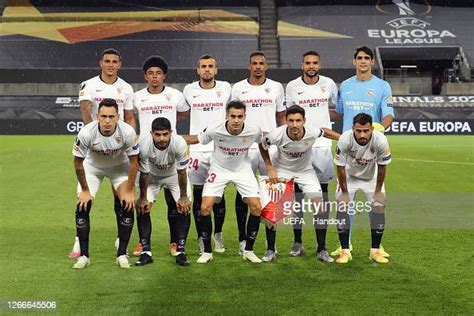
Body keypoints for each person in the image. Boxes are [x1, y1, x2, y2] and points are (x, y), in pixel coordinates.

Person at [69, 48, 136, 258]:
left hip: (119, 152)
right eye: (107, 61)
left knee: (123, 197)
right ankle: (78, 242)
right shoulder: (89, 85)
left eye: (114, 61)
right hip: (95, 152)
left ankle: (120, 239)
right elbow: (85, 109)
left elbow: (129, 116)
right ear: (101, 63)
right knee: (83, 201)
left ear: (119, 64)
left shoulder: (126, 88)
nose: (110, 64)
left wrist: (133, 136)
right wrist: (96, 135)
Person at [183, 101, 265, 264]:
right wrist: (175, 138)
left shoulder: (254, 130)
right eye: (233, 116)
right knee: (205, 207)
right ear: (227, 115)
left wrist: (269, 166)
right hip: (219, 169)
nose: (236, 120)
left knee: (256, 207)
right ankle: (207, 251)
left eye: (240, 116)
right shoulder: (215, 129)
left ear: (245, 117)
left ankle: (248, 250)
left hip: (242, 169)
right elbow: (196, 139)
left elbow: (263, 143)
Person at [332, 46, 394, 257]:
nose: (363, 61)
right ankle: (344, 245)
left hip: (371, 148)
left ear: (372, 62)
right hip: (349, 147)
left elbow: (388, 115)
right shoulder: (346, 85)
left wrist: (381, 128)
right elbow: (340, 113)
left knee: (375, 201)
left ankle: (377, 246)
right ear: (354, 61)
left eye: (367, 58)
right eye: (359, 58)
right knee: (344, 202)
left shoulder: (383, 86)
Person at [259, 105, 340, 263]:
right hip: (282, 171)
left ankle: (321, 249)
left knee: (320, 206)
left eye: (298, 120)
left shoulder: (312, 131)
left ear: (304, 121)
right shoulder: (276, 134)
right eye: (291, 121)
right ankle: (270, 250)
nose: (295, 124)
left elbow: (324, 130)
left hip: (305, 171)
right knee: (272, 210)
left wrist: (343, 137)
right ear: (286, 121)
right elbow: (262, 145)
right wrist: (270, 167)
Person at [72, 98, 139, 269]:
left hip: (119, 167)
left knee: (127, 203)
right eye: (103, 116)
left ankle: (122, 254)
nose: (107, 121)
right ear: (97, 116)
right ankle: (84, 256)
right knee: (83, 204)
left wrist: (129, 190)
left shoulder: (127, 132)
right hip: (93, 168)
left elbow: (134, 163)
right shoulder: (87, 133)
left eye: (111, 116)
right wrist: (86, 190)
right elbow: (78, 164)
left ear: (118, 117)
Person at [133, 56, 189, 257]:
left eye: (158, 73)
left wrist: (168, 129)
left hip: (169, 151)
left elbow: (184, 113)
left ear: (164, 75)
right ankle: (143, 243)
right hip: (149, 150)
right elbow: (130, 117)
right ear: (145, 76)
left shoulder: (175, 95)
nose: (154, 77)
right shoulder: (137, 96)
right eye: (150, 73)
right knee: (143, 203)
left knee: (175, 203)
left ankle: (175, 242)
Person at [231, 51, 286, 254]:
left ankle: (270, 245)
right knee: (242, 193)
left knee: (273, 194)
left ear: (266, 66)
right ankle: (242, 240)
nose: (257, 67)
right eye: (254, 63)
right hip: (244, 147)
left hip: (270, 148)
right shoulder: (238, 88)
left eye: (261, 63)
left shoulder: (276, 88)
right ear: (249, 66)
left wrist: (281, 143)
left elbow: (282, 117)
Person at [285, 51, 338, 257]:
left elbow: (337, 107)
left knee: (321, 198)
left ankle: (322, 247)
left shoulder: (329, 84)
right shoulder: (292, 86)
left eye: (315, 62)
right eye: (308, 63)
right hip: (299, 147)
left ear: (320, 65)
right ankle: (298, 243)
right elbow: (289, 116)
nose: (311, 66)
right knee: (297, 198)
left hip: (322, 147)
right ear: (301, 65)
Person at [183, 54, 231, 254]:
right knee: (198, 194)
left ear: (216, 69)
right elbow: (183, 113)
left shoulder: (226, 88)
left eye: (211, 66)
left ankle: (217, 234)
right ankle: (203, 238)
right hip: (197, 150)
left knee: (218, 196)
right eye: (203, 66)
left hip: (219, 149)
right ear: (198, 70)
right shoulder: (189, 90)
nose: (207, 70)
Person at [333, 113, 391, 264]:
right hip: (349, 176)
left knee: (379, 207)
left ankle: (375, 251)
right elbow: (339, 167)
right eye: (358, 131)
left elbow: (383, 167)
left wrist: (378, 191)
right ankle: (345, 251)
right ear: (353, 129)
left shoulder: (381, 140)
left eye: (366, 130)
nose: (362, 134)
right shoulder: (345, 139)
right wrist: (344, 193)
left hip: (371, 177)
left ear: (372, 129)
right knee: (342, 206)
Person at [135, 117, 192, 267]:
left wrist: (184, 196)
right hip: (151, 178)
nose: (161, 138)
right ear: (151, 133)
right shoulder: (143, 145)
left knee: (184, 207)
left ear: (171, 133)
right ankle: (146, 252)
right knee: (143, 208)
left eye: (165, 134)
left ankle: (181, 251)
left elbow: (182, 172)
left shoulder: (179, 143)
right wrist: (142, 198)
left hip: (174, 176)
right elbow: (144, 174)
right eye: (158, 134)